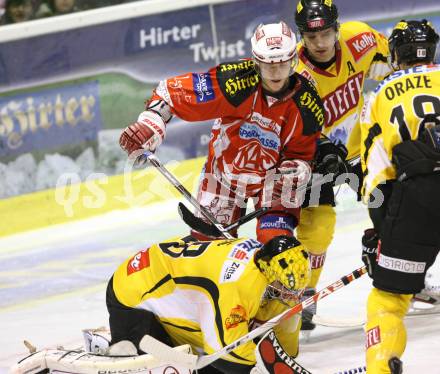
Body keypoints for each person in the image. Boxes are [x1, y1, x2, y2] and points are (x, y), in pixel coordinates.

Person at [119, 21, 325, 245]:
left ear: (293, 60)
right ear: (256, 63)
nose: (275, 72)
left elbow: (304, 153)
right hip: (223, 176)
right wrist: (152, 123)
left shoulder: (307, 102)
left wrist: (299, 168)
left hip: (273, 183)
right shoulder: (234, 81)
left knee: (279, 248)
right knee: (208, 250)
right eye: (268, 65)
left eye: (282, 64)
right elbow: (170, 93)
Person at [292, 0, 392, 330]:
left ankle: (406, 269)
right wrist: (316, 151)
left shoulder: (359, 38)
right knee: (317, 228)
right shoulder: (291, 71)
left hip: (359, 148)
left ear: (337, 28)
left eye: (326, 34)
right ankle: (304, 293)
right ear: (301, 36)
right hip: (313, 156)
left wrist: (386, 61)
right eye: (311, 36)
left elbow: (390, 52)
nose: (319, 43)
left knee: (394, 201)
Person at [106, 234, 311, 373]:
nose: (289, 295)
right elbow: (226, 356)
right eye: (284, 287)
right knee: (206, 366)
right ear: (268, 269)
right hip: (131, 298)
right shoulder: (236, 286)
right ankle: (123, 339)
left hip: (160, 275)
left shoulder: (261, 257)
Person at [359, 19, 440, 373]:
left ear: (395, 54)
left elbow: (375, 178)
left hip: (416, 199)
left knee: (388, 300)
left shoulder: (378, 97)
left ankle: (381, 366)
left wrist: (384, 232)